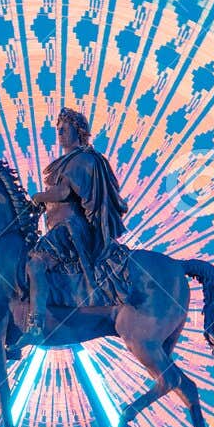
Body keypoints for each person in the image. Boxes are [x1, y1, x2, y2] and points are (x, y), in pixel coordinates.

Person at [20, 108, 130, 345]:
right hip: (59, 228)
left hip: (71, 229)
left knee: (36, 263)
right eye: (57, 130)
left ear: (78, 131)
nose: (59, 134)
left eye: (63, 129)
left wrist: (38, 196)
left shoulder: (83, 159)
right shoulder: (71, 160)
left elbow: (63, 192)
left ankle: (35, 326)